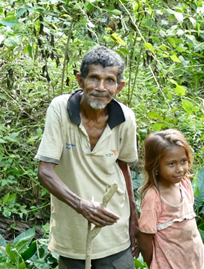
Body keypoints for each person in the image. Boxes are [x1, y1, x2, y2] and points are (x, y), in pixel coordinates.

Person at [36, 46, 138, 268]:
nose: (101, 88)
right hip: (73, 234)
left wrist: (133, 220)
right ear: (80, 80)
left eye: (109, 80)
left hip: (115, 232)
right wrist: (81, 205)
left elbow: (123, 169)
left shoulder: (126, 118)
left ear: (119, 87)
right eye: (94, 78)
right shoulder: (60, 109)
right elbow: (45, 171)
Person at [137, 129, 204, 269]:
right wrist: (155, 263)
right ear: (155, 166)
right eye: (171, 164)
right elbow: (145, 239)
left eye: (183, 161)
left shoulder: (184, 184)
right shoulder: (154, 198)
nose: (180, 169)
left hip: (196, 262)